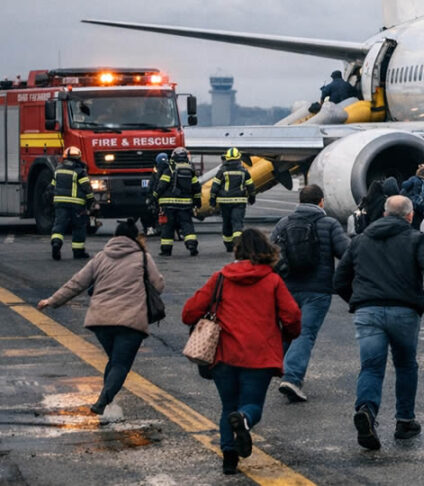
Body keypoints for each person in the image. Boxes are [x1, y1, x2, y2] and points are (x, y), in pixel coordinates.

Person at [333, 195, 424, 449]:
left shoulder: (360, 240)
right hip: (404, 311)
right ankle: (404, 421)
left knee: (371, 367)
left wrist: (357, 302)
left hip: (368, 311)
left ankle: (366, 410)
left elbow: (340, 279)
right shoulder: (416, 238)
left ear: (385, 213)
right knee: (406, 365)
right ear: (410, 216)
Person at [181, 229, 301, 475]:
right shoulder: (272, 280)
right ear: (266, 251)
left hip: (224, 355)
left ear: (237, 251)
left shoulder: (220, 278)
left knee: (228, 406)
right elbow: (292, 316)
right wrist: (286, 336)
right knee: (251, 404)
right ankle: (245, 419)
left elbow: (189, 313)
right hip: (260, 354)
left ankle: (229, 459)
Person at [38, 220, 165, 415]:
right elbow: (158, 286)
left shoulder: (100, 257)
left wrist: (52, 300)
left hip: (100, 321)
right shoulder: (143, 258)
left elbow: (77, 283)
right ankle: (102, 402)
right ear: (134, 237)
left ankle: (107, 403)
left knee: (115, 361)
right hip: (130, 322)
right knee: (121, 364)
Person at [269, 184, 349, 403]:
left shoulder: (283, 223)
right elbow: (346, 253)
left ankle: (272, 367)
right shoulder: (329, 223)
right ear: (321, 201)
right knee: (305, 334)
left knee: (286, 331)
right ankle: (292, 378)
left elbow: (268, 254)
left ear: (300, 200)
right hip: (318, 289)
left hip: (287, 288)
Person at [49, 146, 95, 260]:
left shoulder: (58, 170)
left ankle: (56, 243)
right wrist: (91, 201)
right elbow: (87, 189)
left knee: (59, 225)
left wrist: (51, 201)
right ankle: (78, 252)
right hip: (77, 205)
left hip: (60, 204)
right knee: (78, 227)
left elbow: (51, 187)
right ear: (78, 157)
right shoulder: (79, 172)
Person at [154, 146, 201, 256]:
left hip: (168, 205)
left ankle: (166, 250)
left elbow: (161, 186)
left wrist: (154, 197)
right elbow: (196, 187)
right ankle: (191, 245)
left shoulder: (170, 169)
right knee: (187, 225)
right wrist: (197, 201)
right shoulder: (190, 170)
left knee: (168, 226)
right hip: (185, 205)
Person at [210, 147, 256, 252]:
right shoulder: (244, 171)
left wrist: (212, 199)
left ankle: (228, 245)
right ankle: (238, 244)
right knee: (237, 223)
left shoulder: (222, 171)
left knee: (226, 223)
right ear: (239, 158)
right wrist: (252, 197)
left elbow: (215, 186)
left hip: (224, 202)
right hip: (239, 202)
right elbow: (251, 186)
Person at [145, 152, 169, 233]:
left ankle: (151, 228)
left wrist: (151, 197)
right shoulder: (171, 170)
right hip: (168, 197)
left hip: (159, 198)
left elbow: (152, 185)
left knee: (152, 212)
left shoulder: (156, 172)